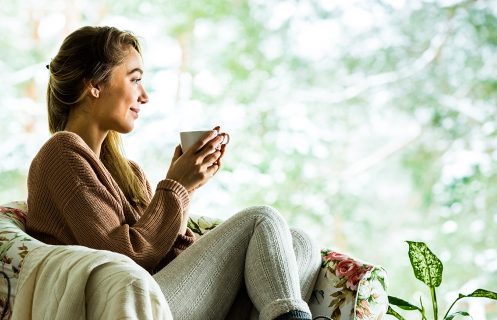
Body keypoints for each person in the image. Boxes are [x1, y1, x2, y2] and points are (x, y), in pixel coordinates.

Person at [25, 26, 323, 320]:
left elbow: (164, 256)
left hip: (154, 294)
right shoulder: (62, 153)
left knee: (301, 244)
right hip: (123, 306)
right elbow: (126, 259)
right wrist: (175, 186)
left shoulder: (128, 172)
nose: (144, 96)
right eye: (135, 79)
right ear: (94, 84)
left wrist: (186, 189)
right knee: (263, 219)